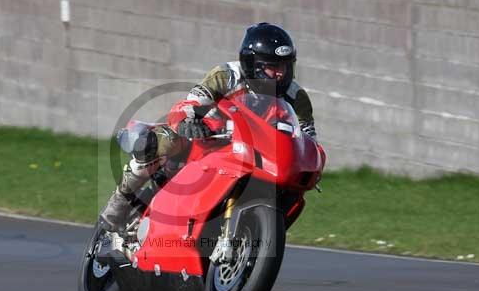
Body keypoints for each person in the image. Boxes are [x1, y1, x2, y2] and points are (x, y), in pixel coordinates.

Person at [100, 22, 319, 231]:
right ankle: (120, 201)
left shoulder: (296, 97)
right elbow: (191, 103)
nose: (280, 74)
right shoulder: (226, 76)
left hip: (254, 152)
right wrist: (187, 122)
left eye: (284, 66)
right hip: (209, 137)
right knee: (161, 142)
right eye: (273, 67)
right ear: (253, 65)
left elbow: (307, 139)